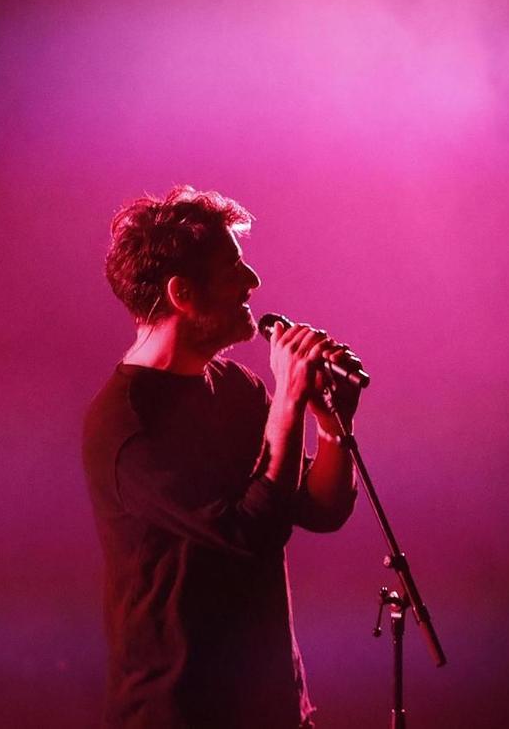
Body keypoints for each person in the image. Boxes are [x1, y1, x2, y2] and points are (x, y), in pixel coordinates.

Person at [83, 186, 361, 729]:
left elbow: (320, 509)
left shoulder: (235, 387)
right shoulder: (124, 425)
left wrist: (333, 424)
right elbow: (247, 532)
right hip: (182, 711)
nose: (253, 282)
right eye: (234, 267)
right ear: (183, 293)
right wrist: (287, 401)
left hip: (272, 704)